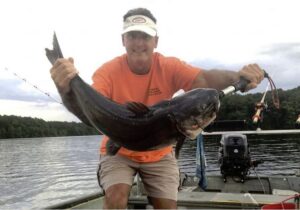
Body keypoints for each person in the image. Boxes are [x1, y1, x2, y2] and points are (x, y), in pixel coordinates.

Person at [50, 7, 264, 209]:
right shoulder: (107, 72)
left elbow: (205, 78)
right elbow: (90, 113)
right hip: (118, 150)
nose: (138, 43)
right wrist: (66, 89)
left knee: (168, 206)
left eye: (145, 36)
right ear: (123, 40)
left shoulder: (169, 66)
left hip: (160, 153)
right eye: (132, 35)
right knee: (115, 196)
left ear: (156, 41)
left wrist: (237, 77)